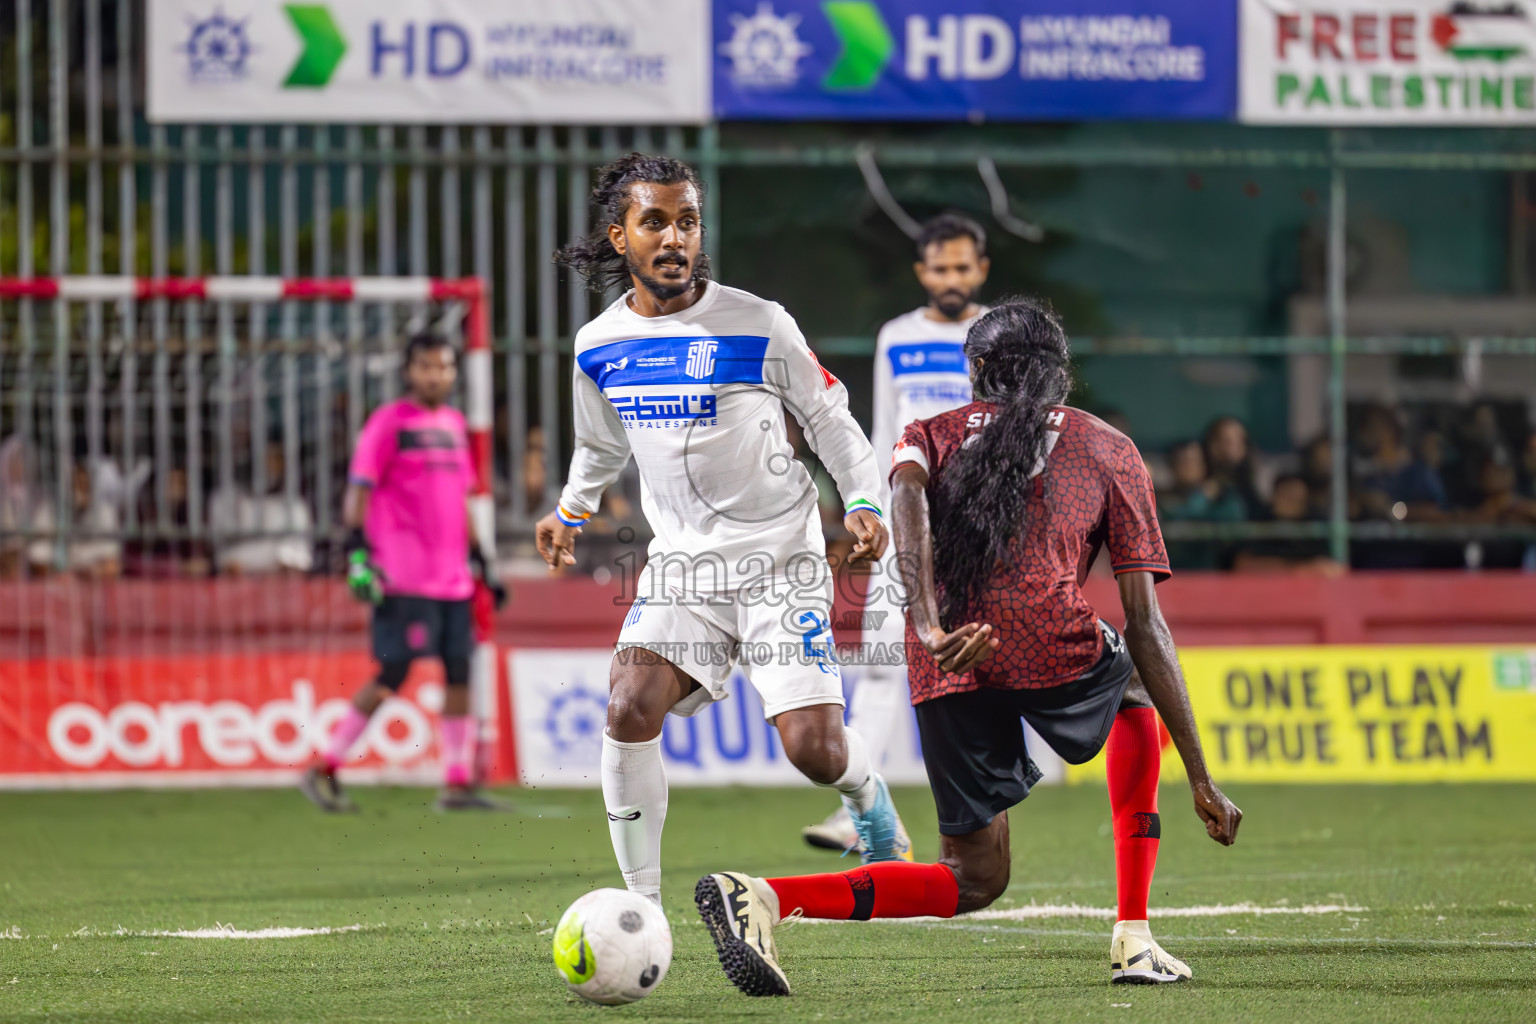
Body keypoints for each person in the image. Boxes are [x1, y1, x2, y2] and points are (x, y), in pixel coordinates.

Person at [695, 301, 1241, 996]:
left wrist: (926, 626)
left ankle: (764, 896)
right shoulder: (1108, 446)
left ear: (976, 370)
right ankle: (1135, 936)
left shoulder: (926, 434)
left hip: (943, 653)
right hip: (1048, 637)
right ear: (1060, 374)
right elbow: (1145, 623)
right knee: (1132, 687)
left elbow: (906, 497)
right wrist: (1199, 774)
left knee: (973, 878)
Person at [536, 153, 913, 907]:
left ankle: (870, 804)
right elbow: (603, 444)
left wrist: (863, 502)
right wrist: (572, 509)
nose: (675, 237)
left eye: (688, 220)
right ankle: (640, 907)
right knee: (628, 705)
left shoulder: (759, 322)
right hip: (684, 567)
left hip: (781, 561)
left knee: (814, 750)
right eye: (655, 222)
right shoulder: (597, 345)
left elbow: (830, 419)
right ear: (621, 237)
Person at [803, 213, 991, 854]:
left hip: (982, 527)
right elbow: (885, 428)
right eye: (939, 268)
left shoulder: (1002, 334)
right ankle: (858, 810)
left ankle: (979, 810)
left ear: (981, 270)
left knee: (981, 666)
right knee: (885, 667)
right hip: (908, 520)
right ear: (921, 272)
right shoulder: (896, 337)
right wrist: (874, 510)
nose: (951, 278)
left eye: (962, 267)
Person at [300, 333, 507, 813]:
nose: (435, 375)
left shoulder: (455, 425)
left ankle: (455, 785)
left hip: (453, 579)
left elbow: (463, 499)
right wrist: (355, 550)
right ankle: (324, 767)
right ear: (409, 371)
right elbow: (359, 490)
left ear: (454, 372)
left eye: (443, 367)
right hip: (401, 576)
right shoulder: (387, 424)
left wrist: (485, 564)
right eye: (426, 367)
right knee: (394, 671)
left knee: (460, 673)